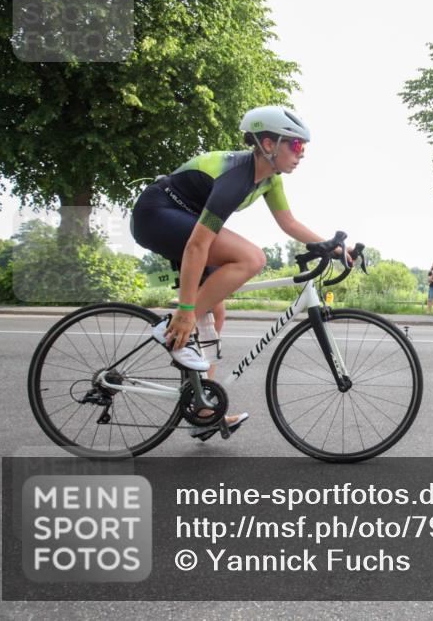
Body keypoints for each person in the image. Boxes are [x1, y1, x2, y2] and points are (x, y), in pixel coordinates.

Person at [130, 105, 351, 439]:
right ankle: (171, 328)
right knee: (251, 258)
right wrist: (186, 310)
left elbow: (288, 222)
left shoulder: (269, 179)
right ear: (267, 144)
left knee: (215, 313)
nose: (301, 154)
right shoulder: (235, 177)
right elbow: (196, 247)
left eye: (304, 148)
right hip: (156, 214)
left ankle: (202, 408)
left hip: (182, 219)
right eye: (295, 145)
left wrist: (331, 247)